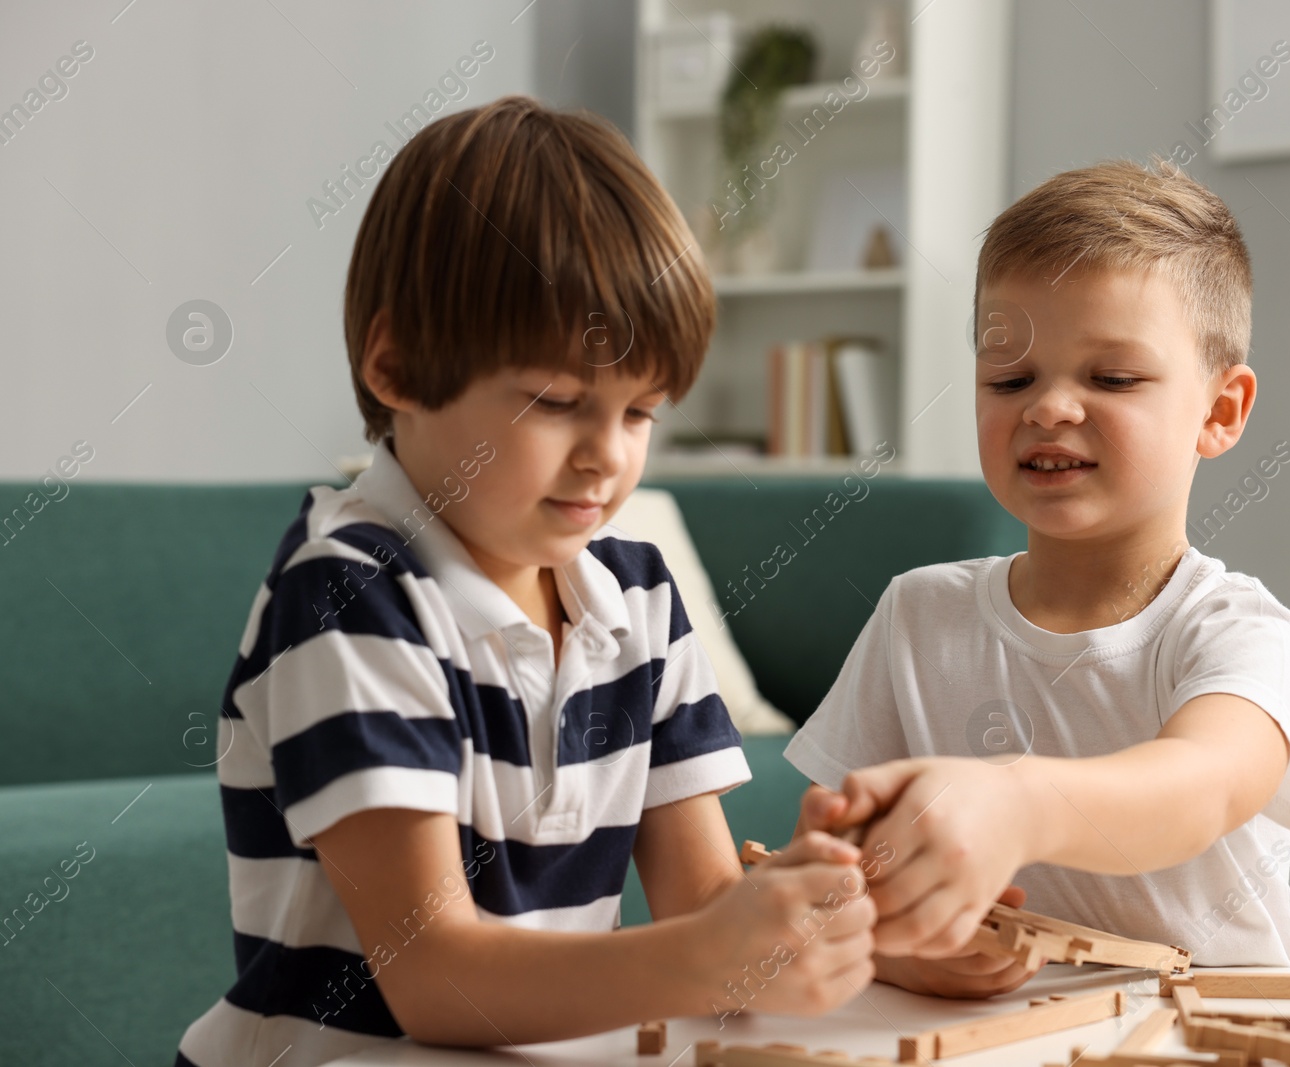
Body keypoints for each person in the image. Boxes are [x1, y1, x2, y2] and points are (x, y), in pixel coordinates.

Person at [176, 96, 875, 1067]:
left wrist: (820, 914)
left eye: (641, 412)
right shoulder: (349, 596)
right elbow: (434, 976)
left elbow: (702, 903)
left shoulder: (637, 596)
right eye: (557, 401)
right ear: (397, 363)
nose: (606, 457)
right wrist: (711, 957)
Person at [785, 159, 1290, 998]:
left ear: (1220, 411)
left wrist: (1020, 802)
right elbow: (833, 873)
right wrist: (907, 946)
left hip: (1220, 1026)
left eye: (1111, 378)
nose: (1048, 408)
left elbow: (1200, 786)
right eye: (1010, 380)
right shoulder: (917, 612)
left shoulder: (1243, 634)